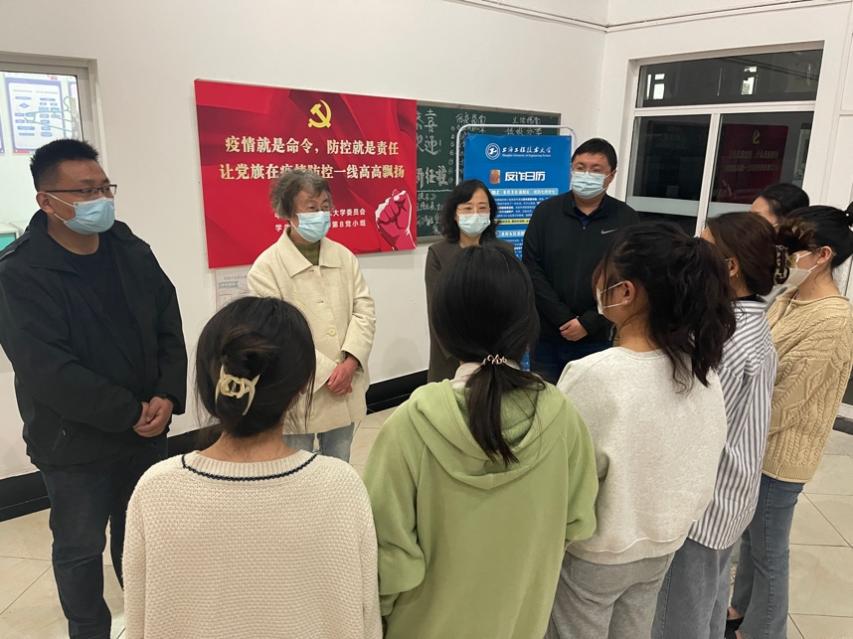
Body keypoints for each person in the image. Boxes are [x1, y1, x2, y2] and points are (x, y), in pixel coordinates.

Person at [0, 139, 187, 639]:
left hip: (145, 432)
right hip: (72, 443)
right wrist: (129, 411)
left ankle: (148, 624)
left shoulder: (130, 248)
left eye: (105, 188)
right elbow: (48, 369)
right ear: (47, 201)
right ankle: (88, 631)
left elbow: (168, 325)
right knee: (80, 548)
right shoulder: (19, 272)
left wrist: (167, 394)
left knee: (141, 539)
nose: (100, 199)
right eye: (85, 191)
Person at [364, 246, 598, 639]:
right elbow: (577, 523)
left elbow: (387, 561)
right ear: (528, 324)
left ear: (442, 329)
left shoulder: (409, 427)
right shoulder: (564, 419)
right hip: (520, 623)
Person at [123, 297, 381, 639]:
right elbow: (366, 621)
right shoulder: (341, 487)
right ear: (302, 386)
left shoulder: (156, 491)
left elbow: (139, 624)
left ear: (207, 385)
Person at [547, 223, 734, 639]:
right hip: (663, 544)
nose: (597, 281)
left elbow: (561, 477)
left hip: (595, 552)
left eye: (604, 272)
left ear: (626, 291)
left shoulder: (594, 374)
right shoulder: (701, 369)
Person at [652, 212, 782, 639]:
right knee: (707, 602)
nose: (694, 253)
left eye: (704, 246)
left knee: (678, 617)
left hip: (706, 502)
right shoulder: (749, 322)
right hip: (731, 494)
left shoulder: (727, 338)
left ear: (730, 266)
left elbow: (696, 425)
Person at [727, 204, 853, 639]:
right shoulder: (788, 299)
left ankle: (765, 630)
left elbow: (787, 401)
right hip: (755, 444)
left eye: (790, 249)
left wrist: (733, 430)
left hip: (780, 454)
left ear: (823, 256)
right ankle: (740, 609)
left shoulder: (834, 320)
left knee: (768, 549)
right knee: (750, 538)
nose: (781, 257)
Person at [248, 169, 376, 461]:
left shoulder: (344, 256)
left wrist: (350, 362)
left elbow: (364, 310)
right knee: (295, 467)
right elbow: (275, 333)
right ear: (288, 213)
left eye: (325, 206)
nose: (320, 214)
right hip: (299, 388)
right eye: (311, 207)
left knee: (339, 464)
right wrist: (328, 372)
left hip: (345, 385)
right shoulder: (266, 268)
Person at [523, 137, 638, 383]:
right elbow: (532, 267)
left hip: (596, 336)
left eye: (596, 170)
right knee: (543, 398)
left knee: (589, 400)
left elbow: (629, 275)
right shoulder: (546, 212)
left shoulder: (626, 218)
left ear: (611, 175)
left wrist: (589, 322)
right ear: (571, 169)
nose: (586, 175)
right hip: (547, 335)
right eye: (580, 167)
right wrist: (562, 318)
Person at [425, 179, 515, 381]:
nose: (475, 214)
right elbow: (437, 311)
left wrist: (502, 348)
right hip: (452, 358)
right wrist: (462, 355)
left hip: (497, 355)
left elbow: (512, 304)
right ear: (455, 214)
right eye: (467, 208)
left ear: (491, 212)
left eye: (482, 208)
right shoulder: (438, 254)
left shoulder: (505, 251)